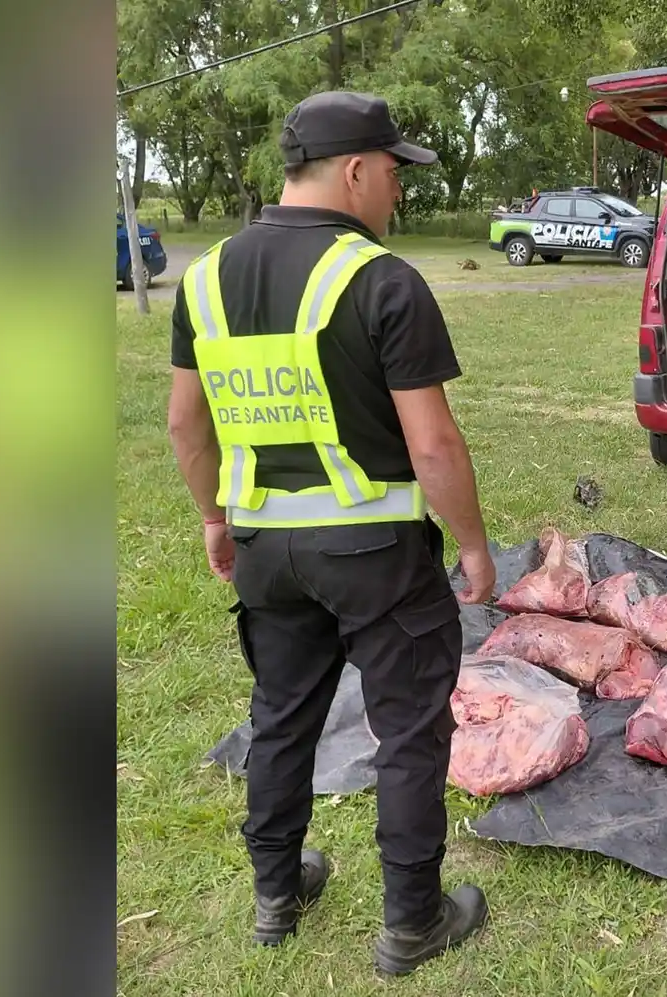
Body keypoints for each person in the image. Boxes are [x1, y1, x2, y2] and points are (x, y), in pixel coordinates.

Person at [165, 90, 497, 975]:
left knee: (279, 719)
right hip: (376, 555)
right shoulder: (382, 279)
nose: (398, 193)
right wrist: (471, 543)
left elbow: (185, 427)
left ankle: (277, 896)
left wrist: (213, 516)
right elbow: (431, 441)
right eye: (394, 173)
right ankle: (412, 922)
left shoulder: (204, 277)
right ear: (354, 170)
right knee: (410, 731)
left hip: (266, 554)